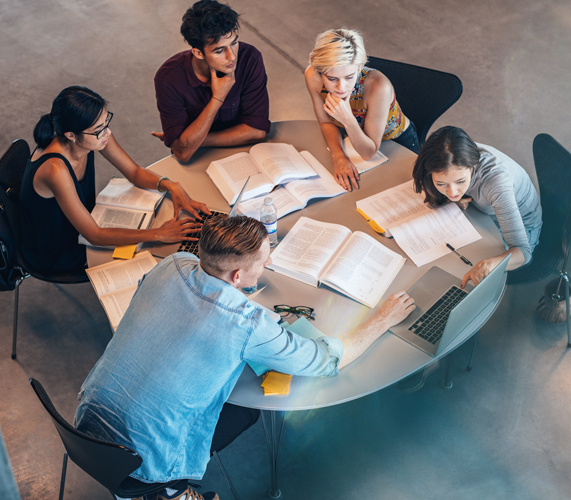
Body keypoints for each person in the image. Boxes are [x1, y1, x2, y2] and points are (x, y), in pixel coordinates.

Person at [74, 215, 415, 500]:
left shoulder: (174, 263)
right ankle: (173, 491)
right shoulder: (248, 323)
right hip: (145, 467)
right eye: (264, 262)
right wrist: (382, 319)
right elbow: (325, 361)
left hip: (85, 427)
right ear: (237, 276)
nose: (267, 264)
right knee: (248, 411)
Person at [19, 86, 209, 274]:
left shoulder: (91, 136)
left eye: (106, 123)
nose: (107, 133)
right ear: (71, 135)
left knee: (156, 230)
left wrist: (170, 185)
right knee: (150, 256)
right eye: (99, 129)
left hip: (83, 223)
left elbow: (133, 171)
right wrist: (159, 234)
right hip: (56, 249)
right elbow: (94, 235)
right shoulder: (55, 170)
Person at [413, 126, 543, 288]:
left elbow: (523, 252)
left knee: (457, 271)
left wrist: (490, 264)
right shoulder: (452, 154)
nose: (452, 192)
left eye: (460, 181)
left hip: (523, 225)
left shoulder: (497, 182)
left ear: (473, 165)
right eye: (441, 183)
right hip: (484, 212)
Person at [152, 0, 271, 163]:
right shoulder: (169, 79)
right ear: (198, 53)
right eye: (220, 50)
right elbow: (183, 154)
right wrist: (217, 98)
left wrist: (194, 141)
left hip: (244, 155)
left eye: (234, 43)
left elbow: (257, 132)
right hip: (198, 161)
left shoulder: (250, 59)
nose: (232, 56)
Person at [305, 28, 420, 192]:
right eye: (332, 78)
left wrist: (347, 119)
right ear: (319, 71)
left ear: (359, 67)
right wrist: (338, 156)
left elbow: (369, 152)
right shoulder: (312, 77)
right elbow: (325, 121)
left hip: (395, 142)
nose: (341, 87)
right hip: (352, 138)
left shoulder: (378, 86)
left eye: (349, 77)